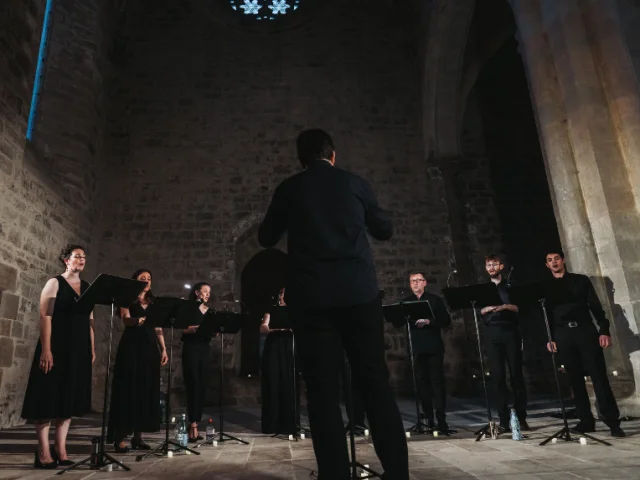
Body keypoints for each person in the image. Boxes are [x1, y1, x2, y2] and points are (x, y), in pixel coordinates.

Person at [258, 128, 409, 480]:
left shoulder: (290, 188)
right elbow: (384, 229)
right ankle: (398, 474)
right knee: (374, 382)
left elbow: (266, 238)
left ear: (301, 159)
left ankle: (335, 475)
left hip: (311, 300)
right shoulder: (355, 184)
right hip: (359, 295)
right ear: (333, 154)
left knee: (322, 391)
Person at [22, 244, 96, 469]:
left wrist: (91, 349)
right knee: (47, 396)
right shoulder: (55, 283)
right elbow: (45, 316)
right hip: (56, 346)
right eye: (77, 256)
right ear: (66, 260)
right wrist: (46, 349)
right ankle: (43, 451)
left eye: (84, 256)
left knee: (69, 398)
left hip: (79, 349)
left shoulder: (87, 286)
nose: (81, 260)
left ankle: (60, 449)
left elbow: (90, 320)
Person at [544, 251, 625, 437]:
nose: (554, 262)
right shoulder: (547, 287)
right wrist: (550, 337)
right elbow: (546, 315)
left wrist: (603, 330)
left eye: (556, 258)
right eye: (550, 260)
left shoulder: (580, 280)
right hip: (562, 334)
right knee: (574, 378)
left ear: (563, 260)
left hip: (584, 331)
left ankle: (612, 422)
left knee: (598, 376)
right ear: (547, 265)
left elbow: (595, 306)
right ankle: (585, 421)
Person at [107, 269, 168, 452]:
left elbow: (158, 327)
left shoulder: (154, 302)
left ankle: (138, 437)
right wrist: (138, 320)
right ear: (135, 281)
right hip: (132, 346)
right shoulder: (127, 298)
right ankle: (120, 437)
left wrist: (163, 348)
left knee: (145, 389)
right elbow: (125, 319)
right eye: (143, 278)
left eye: (149, 278)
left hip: (150, 347)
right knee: (128, 388)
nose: (147, 281)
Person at [480, 254, 529, 432]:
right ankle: (503, 419)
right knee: (497, 376)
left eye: (494, 264)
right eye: (488, 265)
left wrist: (507, 307)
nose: (491, 267)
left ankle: (521, 417)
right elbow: (478, 309)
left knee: (516, 374)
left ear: (501, 266)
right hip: (492, 333)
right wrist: (485, 309)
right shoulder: (483, 288)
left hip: (510, 331)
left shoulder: (510, 286)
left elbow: (520, 307)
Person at [404, 271, 452, 433]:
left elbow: (446, 320)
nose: (416, 283)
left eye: (419, 280)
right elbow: (398, 321)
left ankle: (441, 419)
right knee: (421, 384)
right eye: (412, 281)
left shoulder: (434, 299)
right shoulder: (406, 302)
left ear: (425, 283)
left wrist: (428, 321)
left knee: (436, 383)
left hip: (433, 347)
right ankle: (428, 419)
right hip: (416, 348)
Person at [260, 287, 298, 435]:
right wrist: (274, 330)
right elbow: (263, 327)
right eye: (281, 294)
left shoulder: (295, 311)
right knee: (273, 381)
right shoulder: (272, 310)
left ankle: (289, 424)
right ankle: (272, 424)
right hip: (274, 345)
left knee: (289, 382)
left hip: (289, 346)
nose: (283, 296)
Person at [181, 282, 213, 442]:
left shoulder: (209, 311)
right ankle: (192, 424)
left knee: (202, 386)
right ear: (196, 293)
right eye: (205, 291)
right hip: (191, 349)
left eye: (209, 292)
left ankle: (197, 422)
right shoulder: (189, 308)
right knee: (193, 385)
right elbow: (183, 329)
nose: (207, 294)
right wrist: (197, 329)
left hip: (204, 350)